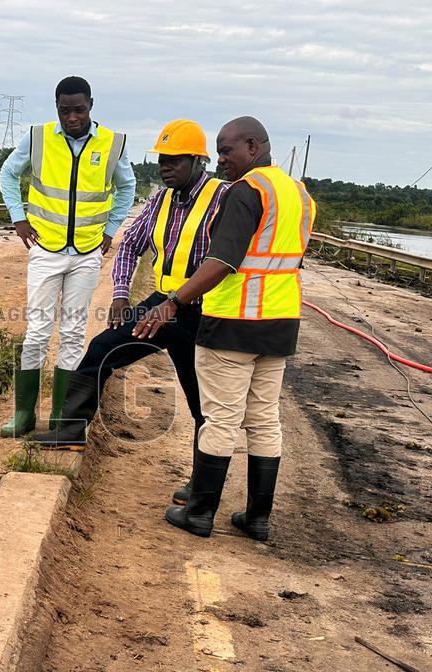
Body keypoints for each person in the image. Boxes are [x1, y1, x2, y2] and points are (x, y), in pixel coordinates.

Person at [133, 116, 316, 540]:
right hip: (280, 321)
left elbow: (223, 261)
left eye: (226, 151)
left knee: (220, 418)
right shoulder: (300, 195)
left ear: (253, 147)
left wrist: (173, 301)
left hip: (233, 322)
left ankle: (199, 514)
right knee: (264, 419)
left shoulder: (245, 192)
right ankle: (257, 519)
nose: (220, 162)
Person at [31, 120, 227, 505]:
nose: (165, 167)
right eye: (162, 160)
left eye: (174, 160)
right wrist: (121, 295)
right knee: (102, 349)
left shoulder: (222, 198)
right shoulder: (160, 199)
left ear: (197, 160)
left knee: (202, 402)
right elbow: (130, 246)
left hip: (203, 313)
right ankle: (71, 429)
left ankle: (202, 487)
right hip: (162, 306)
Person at [0, 76, 136, 437]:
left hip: (88, 252)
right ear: (56, 107)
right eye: (64, 110)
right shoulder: (39, 137)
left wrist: (110, 231)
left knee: (73, 332)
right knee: (37, 331)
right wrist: (18, 217)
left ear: (91, 104)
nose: (71, 117)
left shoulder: (111, 143)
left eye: (79, 109)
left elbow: (127, 187)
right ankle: (24, 415)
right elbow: (8, 175)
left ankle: (62, 415)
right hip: (46, 248)